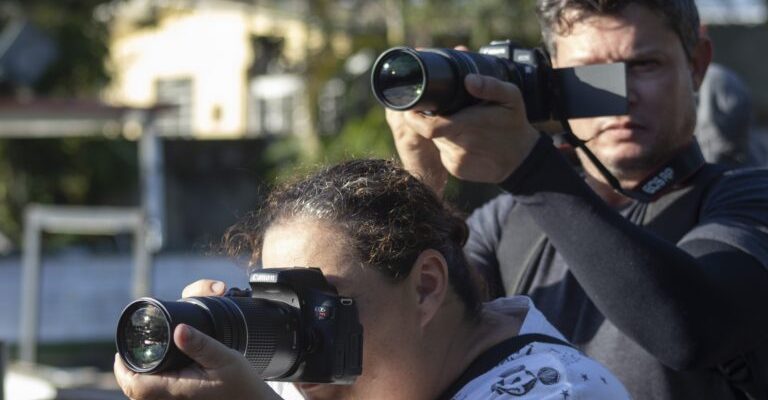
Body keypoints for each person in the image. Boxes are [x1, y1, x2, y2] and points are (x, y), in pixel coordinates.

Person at [386, 1, 768, 399]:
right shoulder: (509, 223)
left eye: (644, 65)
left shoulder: (747, 202)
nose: (621, 94)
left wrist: (528, 169)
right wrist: (423, 187)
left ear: (697, 64)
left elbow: (689, 331)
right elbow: (416, 336)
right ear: (552, 79)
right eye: (590, 74)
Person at [113, 159, 630, 399]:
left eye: (320, 307)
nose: (301, 371)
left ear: (426, 287)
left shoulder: (559, 390)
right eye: (276, 306)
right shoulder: (327, 374)